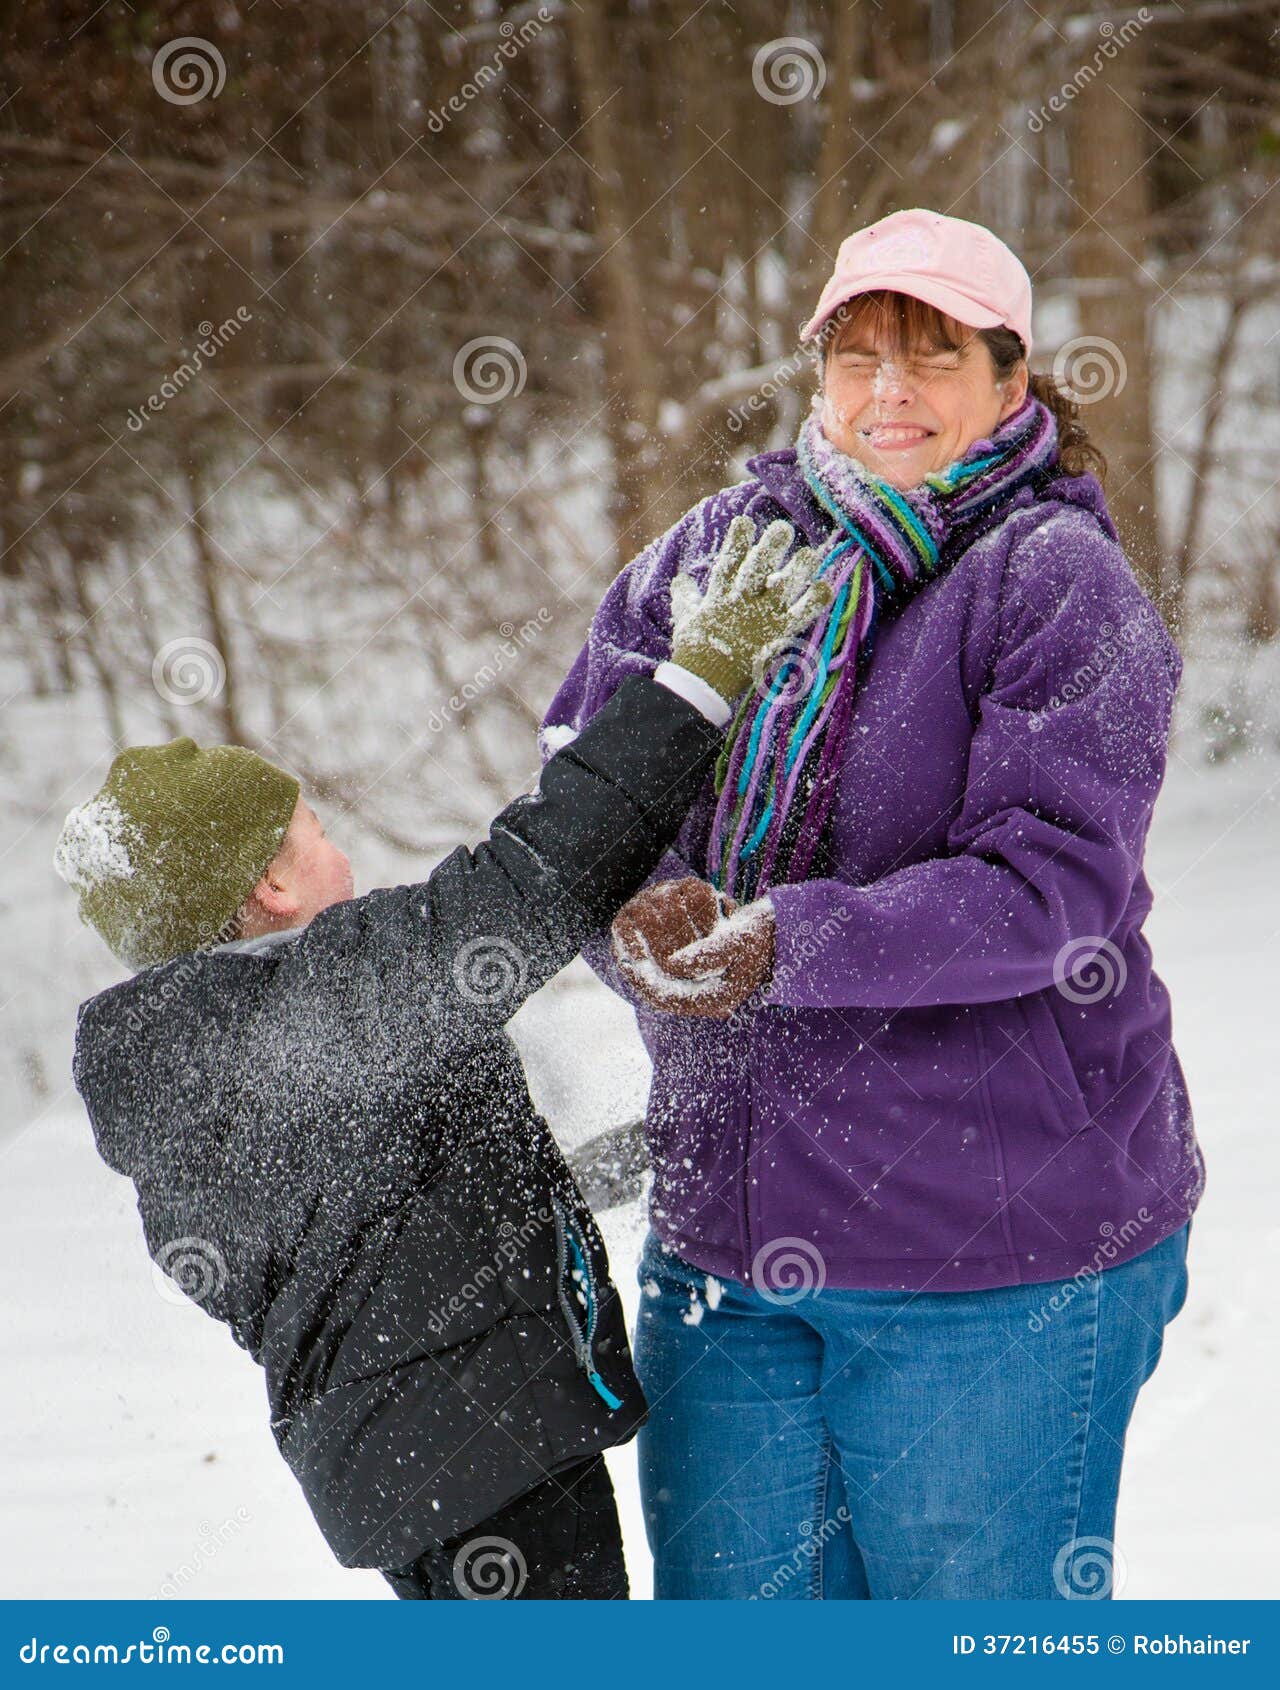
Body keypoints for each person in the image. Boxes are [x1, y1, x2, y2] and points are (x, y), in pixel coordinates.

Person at [541, 207, 1205, 1600]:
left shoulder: (1050, 581)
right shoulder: (717, 551)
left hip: (992, 1251)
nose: (889, 390)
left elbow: (1051, 886)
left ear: (1011, 380)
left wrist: (783, 941)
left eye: (934, 354)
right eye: (858, 353)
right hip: (727, 1242)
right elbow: (582, 783)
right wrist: (647, 919)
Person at [56, 524, 828, 1600]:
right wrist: (696, 682)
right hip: (479, 1462)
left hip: (410, 1467)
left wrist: (624, 1162)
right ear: (272, 889)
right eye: (315, 831)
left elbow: (370, 1222)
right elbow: (536, 877)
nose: (342, 854)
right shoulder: (319, 999)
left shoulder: (184, 1058)